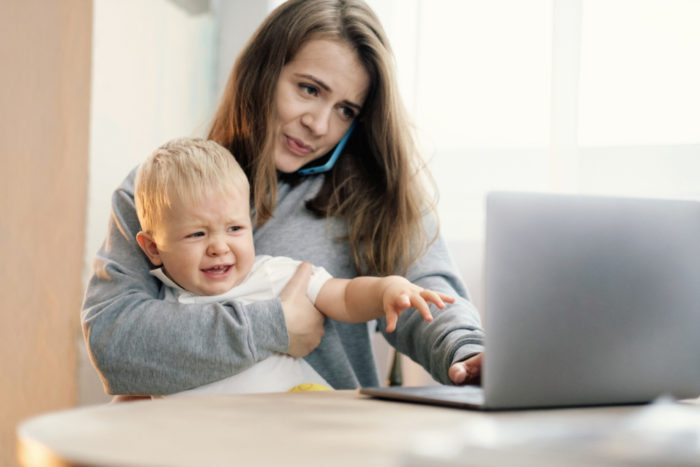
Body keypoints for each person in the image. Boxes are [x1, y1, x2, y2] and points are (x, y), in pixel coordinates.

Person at [82, 0, 484, 397]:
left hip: (324, 440)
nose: (320, 124)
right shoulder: (156, 194)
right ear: (262, 72)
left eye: (345, 110)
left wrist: (469, 353)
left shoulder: (372, 194)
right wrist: (275, 326)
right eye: (309, 89)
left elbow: (426, 295)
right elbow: (115, 341)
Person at [133, 137, 452, 395]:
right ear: (153, 248)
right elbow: (138, 378)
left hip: (302, 413)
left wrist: (386, 289)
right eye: (197, 234)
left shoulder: (269, 275)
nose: (219, 247)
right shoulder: (156, 310)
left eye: (235, 229)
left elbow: (342, 296)